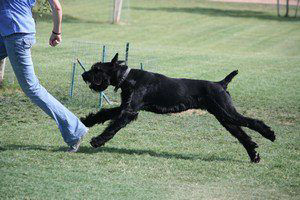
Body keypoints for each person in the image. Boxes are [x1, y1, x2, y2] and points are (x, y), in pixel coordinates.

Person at [0, 0, 88, 152]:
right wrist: (56, 32)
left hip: (16, 34)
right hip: (13, 31)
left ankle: (75, 129)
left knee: (32, 88)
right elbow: (57, 7)